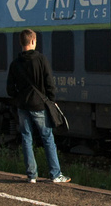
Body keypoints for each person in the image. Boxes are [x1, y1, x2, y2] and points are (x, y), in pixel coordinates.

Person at [5, 28, 70, 185]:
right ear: (33, 41)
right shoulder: (41, 60)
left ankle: (31, 176)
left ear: (21, 43)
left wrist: (19, 97)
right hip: (39, 105)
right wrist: (52, 99)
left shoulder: (15, 64)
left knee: (26, 138)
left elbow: (9, 89)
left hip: (23, 106)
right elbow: (50, 83)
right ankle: (55, 174)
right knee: (47, 138)